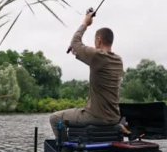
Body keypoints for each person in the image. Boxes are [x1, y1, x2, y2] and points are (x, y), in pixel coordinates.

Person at [49, 9, 124, 138]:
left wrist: (85, 23)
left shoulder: (97, 56)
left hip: (97, 116)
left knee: (55, 118)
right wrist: (78, 51)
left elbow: (75, 43)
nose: (95, 45)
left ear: (99, 40)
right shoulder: (118, 60)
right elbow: (90, 54)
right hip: (114, 117)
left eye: (95, 42)